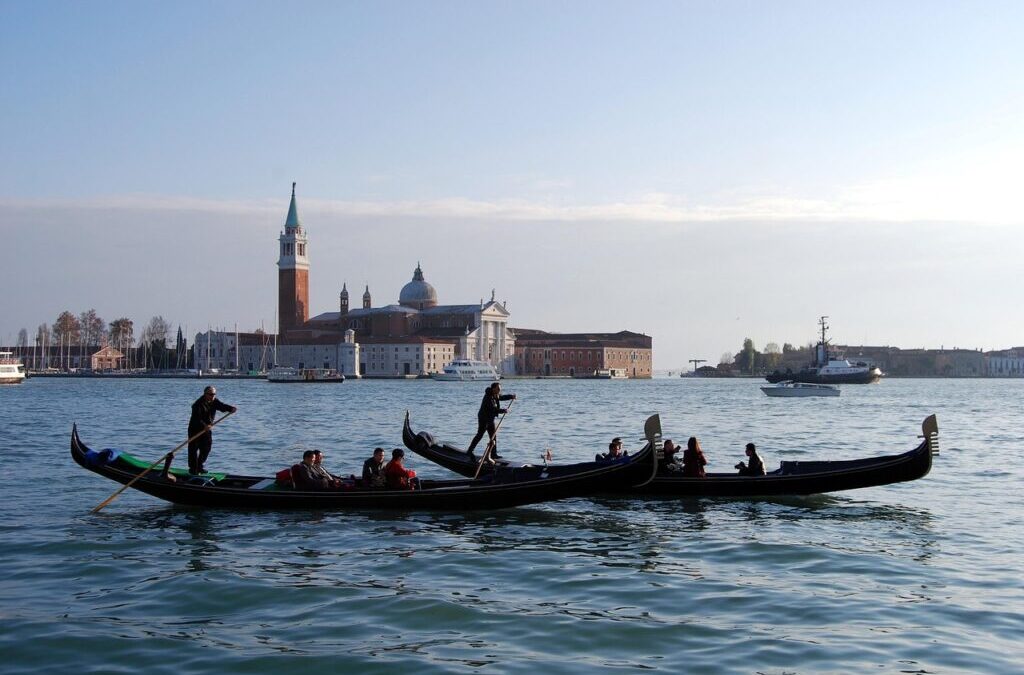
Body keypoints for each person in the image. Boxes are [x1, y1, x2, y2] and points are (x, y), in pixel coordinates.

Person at [183, 385, 236, 476]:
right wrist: (204, 425)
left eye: (214, 394)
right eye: (211, 394)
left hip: (207, 428)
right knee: (193, 449)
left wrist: (231, 408)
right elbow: (197, 418)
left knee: (206, 447)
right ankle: (193, 469)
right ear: (205, 394)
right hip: (195, 428)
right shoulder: (197, 404)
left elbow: (221, 406)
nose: (213, 396)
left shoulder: (214, 401)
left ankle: (200, 466)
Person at [466, 382, 516, 459]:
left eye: (500, 389)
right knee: (480, 435)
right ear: (493, 389)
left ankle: (493, 454)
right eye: (498, 389)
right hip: (484, 419)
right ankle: (469, 451)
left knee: (493, 436)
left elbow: (501, 397)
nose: (499, 390)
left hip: (490, 418)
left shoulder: (495, 395)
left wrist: (511, 396)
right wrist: (503, 410)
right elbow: (493, 409)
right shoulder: (488, 397)